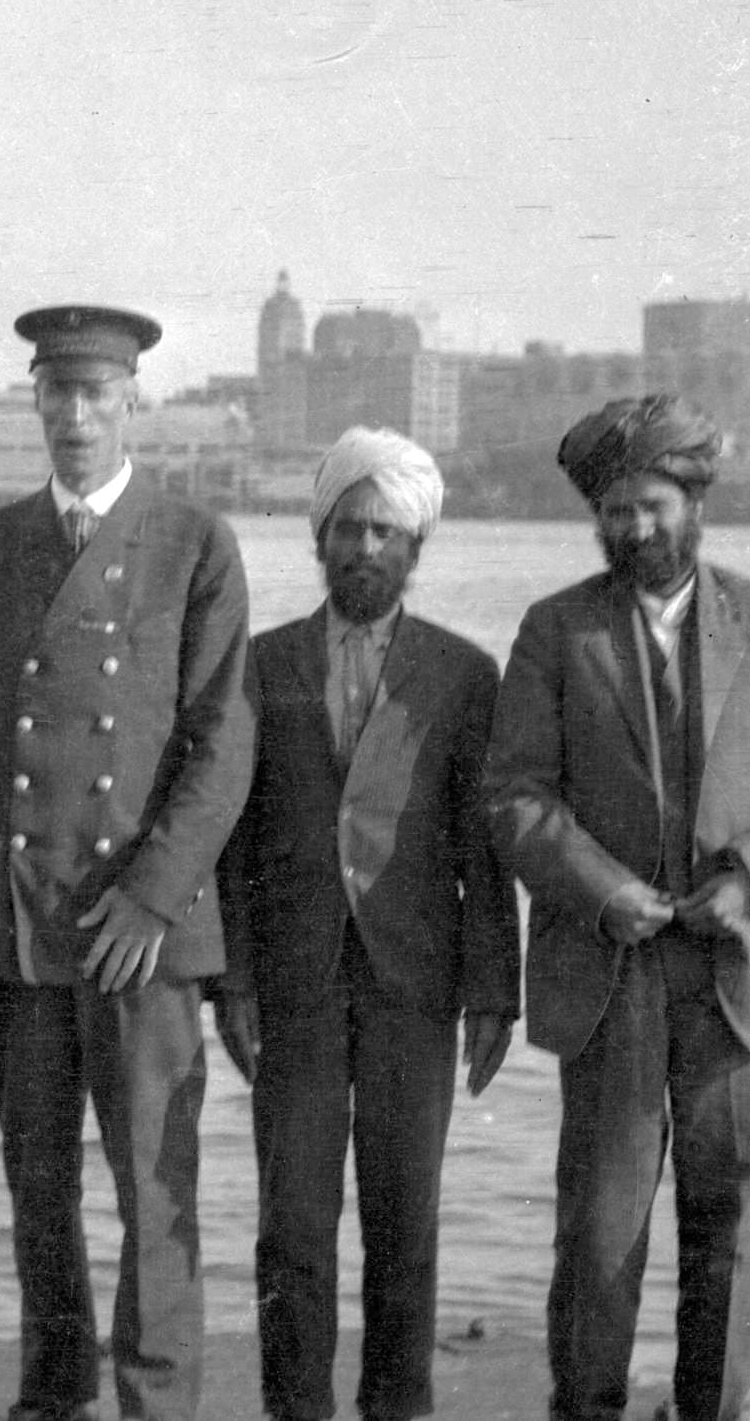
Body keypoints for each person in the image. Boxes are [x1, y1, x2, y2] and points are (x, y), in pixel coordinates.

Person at [485, 396, 750, 1421]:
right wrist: (601, 889)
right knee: (599, 1235)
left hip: (746, 989)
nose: (634, 530)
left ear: (694, 502)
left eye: (651, 505)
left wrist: (744, 878)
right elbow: (514, 796)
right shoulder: (555, 631)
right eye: (613, 511)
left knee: (733, 1233)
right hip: (610, 986)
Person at [0, 304, 255, 1421]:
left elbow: (223, 744)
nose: (76, 417)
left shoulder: (195, 543)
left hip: (145, 932)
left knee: (156, 1188)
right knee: (38, 1185)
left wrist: (154, 894)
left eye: (97, 396)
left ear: (134, 406)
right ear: (33, 401)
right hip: (23, 925)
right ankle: (54, 1391)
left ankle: (158, 1403)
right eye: (56, 394)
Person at [214, 427, 521, 1421]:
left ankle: (401, 1408)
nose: (364, 548)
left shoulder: (464, 676)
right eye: (347, 528)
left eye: (385, 530)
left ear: (415, 545)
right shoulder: (261, 666)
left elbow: (486, 848)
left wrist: (493, 993)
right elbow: (232, 841)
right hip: (295, 982)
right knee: (292, 1224)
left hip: (415, 986)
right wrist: (235, 981)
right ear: (319, 536)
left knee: (405, 1223)